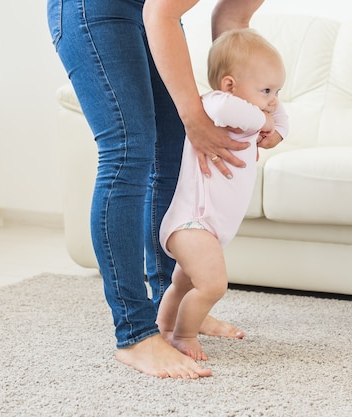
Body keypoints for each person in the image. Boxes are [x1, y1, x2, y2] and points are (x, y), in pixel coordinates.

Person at [46, 0, 282, 379]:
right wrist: (195, 117)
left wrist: (242, 107)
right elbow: (161, 13)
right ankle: (135, 333)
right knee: (128, 149)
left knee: (173, 156)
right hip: (95, 8)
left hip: (150, 8)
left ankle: (168, 311)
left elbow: (233, 19)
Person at [157, 29, 288, 361]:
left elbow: (279, 121)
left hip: (210, 227)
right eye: (267, 90)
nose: (274, 100)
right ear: (230, 85)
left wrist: (275, 130)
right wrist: (265, 120)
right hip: (192, 222)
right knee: (213, 285)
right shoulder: (216, 104)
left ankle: (163, 326)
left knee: (184, 284)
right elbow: (245, 113)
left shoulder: (252, 115)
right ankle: (184, 336)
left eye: (277, 91)